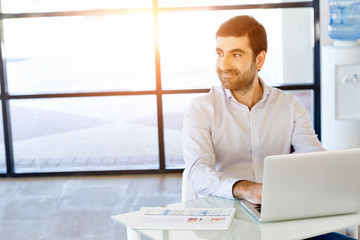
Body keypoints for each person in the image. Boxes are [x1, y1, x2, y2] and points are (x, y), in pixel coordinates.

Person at [183, 15, 325, 204]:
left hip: (280, 208)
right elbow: (198, 173)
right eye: (220, 53)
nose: (223, 65)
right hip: (224, 213)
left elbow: (313, 157)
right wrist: (247, 189)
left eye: (236, 54)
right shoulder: (201, 109)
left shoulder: (289, 105)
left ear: (259, 60)